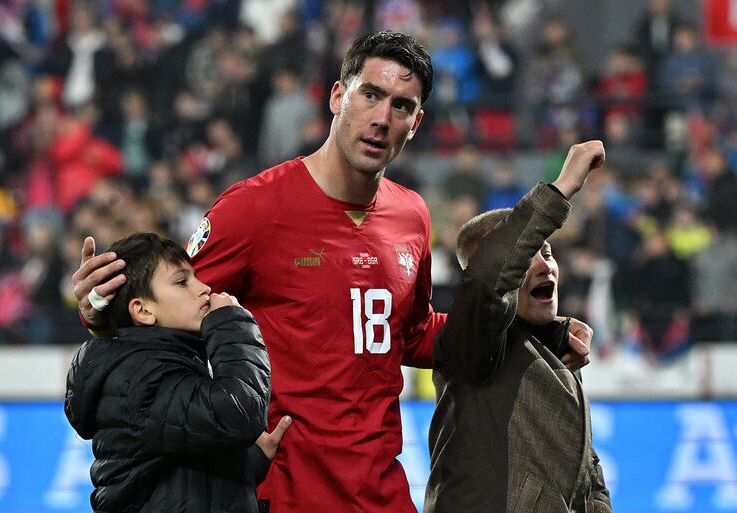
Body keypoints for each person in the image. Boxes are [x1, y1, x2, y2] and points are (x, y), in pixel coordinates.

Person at [73, 32, 592, 513]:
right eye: (370, 95)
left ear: (417, 123)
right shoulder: (254, 209)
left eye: (401, 106)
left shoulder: (412, 215)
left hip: (382, 492)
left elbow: (411, 334)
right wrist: (100, 313)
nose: (382, 117)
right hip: (284, 493)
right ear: (338, 96)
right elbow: (168, 313)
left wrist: (534, 332)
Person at [425, 141, 611, 513]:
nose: (546, 265)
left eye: (547, 252)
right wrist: (562, 188)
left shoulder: (558, 358)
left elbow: (586, 483)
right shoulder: (471, 345)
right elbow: (487, 281)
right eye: (527, 256)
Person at [64, 232, 291, 513]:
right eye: (182, 282)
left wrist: (247, 461)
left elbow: (175, 477)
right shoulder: (140, 375)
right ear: (143, 310)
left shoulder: (165, 362)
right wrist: (232, 323)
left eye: (195, 277)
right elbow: (238, 414)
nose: (204, 288)